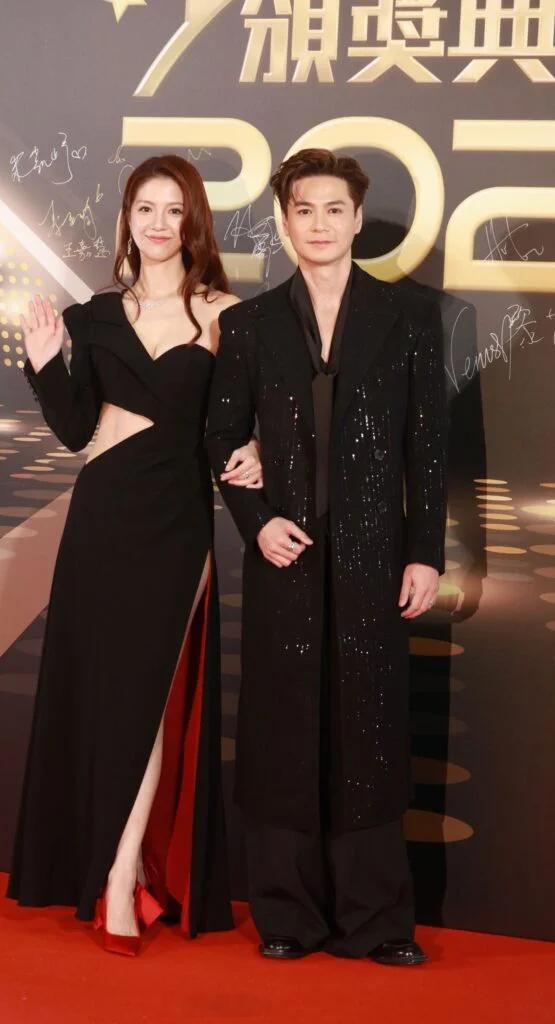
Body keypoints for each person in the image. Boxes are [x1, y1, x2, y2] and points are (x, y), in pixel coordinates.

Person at [7, 154, 262, 956]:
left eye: (173, 209)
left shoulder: (226, 316)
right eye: (144, 208)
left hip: (175, 524)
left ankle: (122, 875)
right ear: (127, 219)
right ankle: (109, 869)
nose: (158, 223)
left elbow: (238, 423)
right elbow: (74, 430)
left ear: (193, 222)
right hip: (101, 517)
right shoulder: (91, 316)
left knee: (150, 702)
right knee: (102, 697)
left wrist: (256, 449)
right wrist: (45, 363)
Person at [206, 148, 447, 966]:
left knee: (368, 732)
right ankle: (287, 916)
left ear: (356, 218)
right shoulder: (248, 325)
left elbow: (427, 447)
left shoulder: (408, 317)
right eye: (303, 209)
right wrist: (254, 522)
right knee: (281, 730)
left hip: (376, 559)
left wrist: (424, 553)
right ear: (283, 221)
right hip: (284, 558)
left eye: (333, 209)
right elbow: (220, 433)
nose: (318, 224)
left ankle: (378, 923)